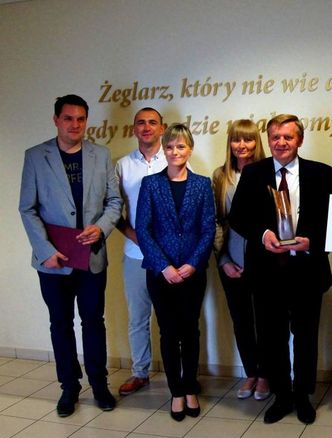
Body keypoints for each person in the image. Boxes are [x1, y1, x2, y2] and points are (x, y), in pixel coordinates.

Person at [228, 114, 332, 425]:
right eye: (275, 137)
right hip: (267, 272)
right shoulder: (253, 173)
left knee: (305, 338)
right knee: (271, 338)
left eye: (288, 137)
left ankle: (302, 396)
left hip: (307, 270)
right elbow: (238, 217)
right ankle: (282, 396)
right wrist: (263, 234)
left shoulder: (321, 173)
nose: (281, 142)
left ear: (299, 139)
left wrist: (312, 241)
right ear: (269, 140)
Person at [19, 94, 122, 416]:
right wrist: (45, 251)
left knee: (93, 322)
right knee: (60, 324)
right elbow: (27, 208)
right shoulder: (36, 156)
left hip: (91, 257)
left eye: (80, 119)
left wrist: (101, 228)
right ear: (56, 120)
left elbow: (114, 202)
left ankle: (99, 384)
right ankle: (69, 387)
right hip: (54, 261)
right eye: (68, 118)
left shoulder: (101, 155)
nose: (75, 125)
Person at [135, 124, 215, 421]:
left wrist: (193, 263)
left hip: (193, 271)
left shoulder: (202, 184)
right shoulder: (150, 184)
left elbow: (208, 228)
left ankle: (191, 387)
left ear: (190, 150)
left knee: (190, 331)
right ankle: (176, 392)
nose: (174, 152)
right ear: (163, 150)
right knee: (168, 332)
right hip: (161, 273)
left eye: (180, 146)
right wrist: (164, 266)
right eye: (169, 147)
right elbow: (143, 229)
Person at [212, 119, 270, 401]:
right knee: (241, 320)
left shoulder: (268, 172)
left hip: (263, 260)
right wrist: (223, 259)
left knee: (266, 320)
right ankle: (251, 373)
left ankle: (267, 374)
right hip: (231, 259)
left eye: (248, 139)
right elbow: (215, 221)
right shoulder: (220, 176)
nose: (242, 145)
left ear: (257, 142)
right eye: (236, 139)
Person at [115, 107, 166, 396]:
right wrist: (135, 237)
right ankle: (140, 372)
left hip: (169, 257)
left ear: (162, 128)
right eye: (141, 123)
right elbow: (112, 209)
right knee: (138, 318)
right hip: (135, 255)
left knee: (172, 319)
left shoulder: (174, 159)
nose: (147, 127)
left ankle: (179, 374)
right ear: (134, 128)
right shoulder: (122, 165)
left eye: (152, 122)